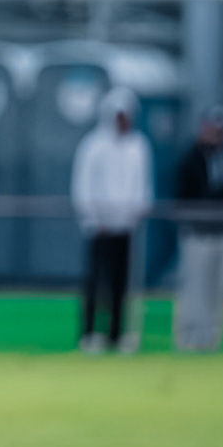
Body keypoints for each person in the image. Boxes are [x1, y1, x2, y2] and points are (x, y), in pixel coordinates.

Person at [71, 87, 154, 354]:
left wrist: (136, 212)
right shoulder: (93, 144)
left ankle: (117, 334)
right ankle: (89, 332)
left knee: (121, 282)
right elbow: (82, 186)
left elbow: (143, 186)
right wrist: (94, 218)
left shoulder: (138, 145)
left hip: (125, 226)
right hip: (100, 227)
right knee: (96, 281)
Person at [175, 107, 223, 351]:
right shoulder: (190, 157)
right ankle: (189, 335)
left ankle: (211, 336)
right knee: (195, 285)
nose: (216, 133)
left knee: (219, 286)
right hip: (198, 232)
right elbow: (184, 193)